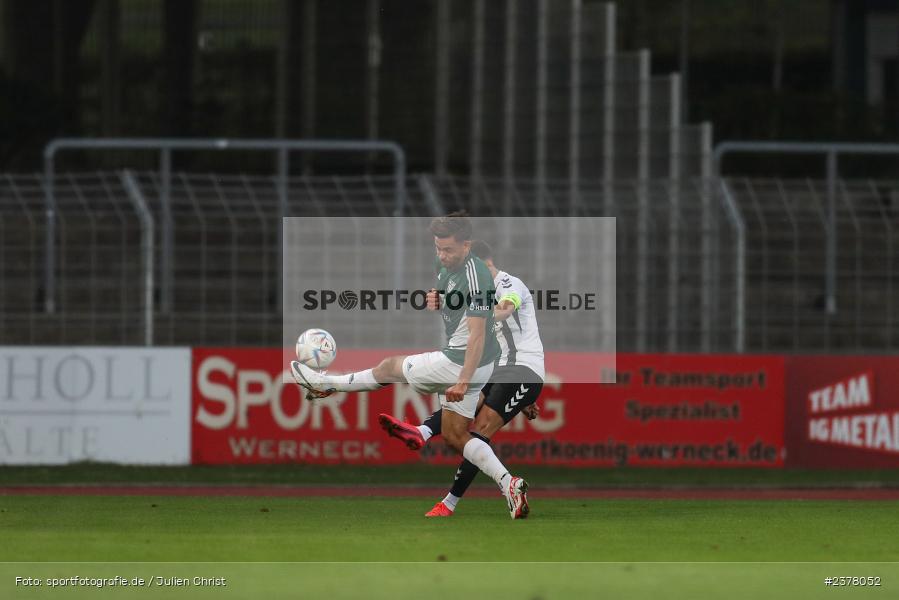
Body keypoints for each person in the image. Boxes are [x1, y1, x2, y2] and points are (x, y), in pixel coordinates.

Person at [291, 213, 530, 519]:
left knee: (390, 366)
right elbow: (457, 304)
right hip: (473, 363)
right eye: (438, 248)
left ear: (467, 245)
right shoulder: (445, 267)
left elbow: (478, 336)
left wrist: (462, 380)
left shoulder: (478, 278)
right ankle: (510, 484)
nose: (442, 255)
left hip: (462, 362)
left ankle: (328, 384)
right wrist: (442, 300)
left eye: (449, 250)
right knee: (456, 436)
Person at [378, 240, 545, 517]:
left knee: (478, 431)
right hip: (501, 370)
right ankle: (423, 431)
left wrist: (474, 309)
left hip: (521, 370)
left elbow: (504, 310)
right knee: (464, 400)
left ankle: (453, 501)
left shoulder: (508, 284)